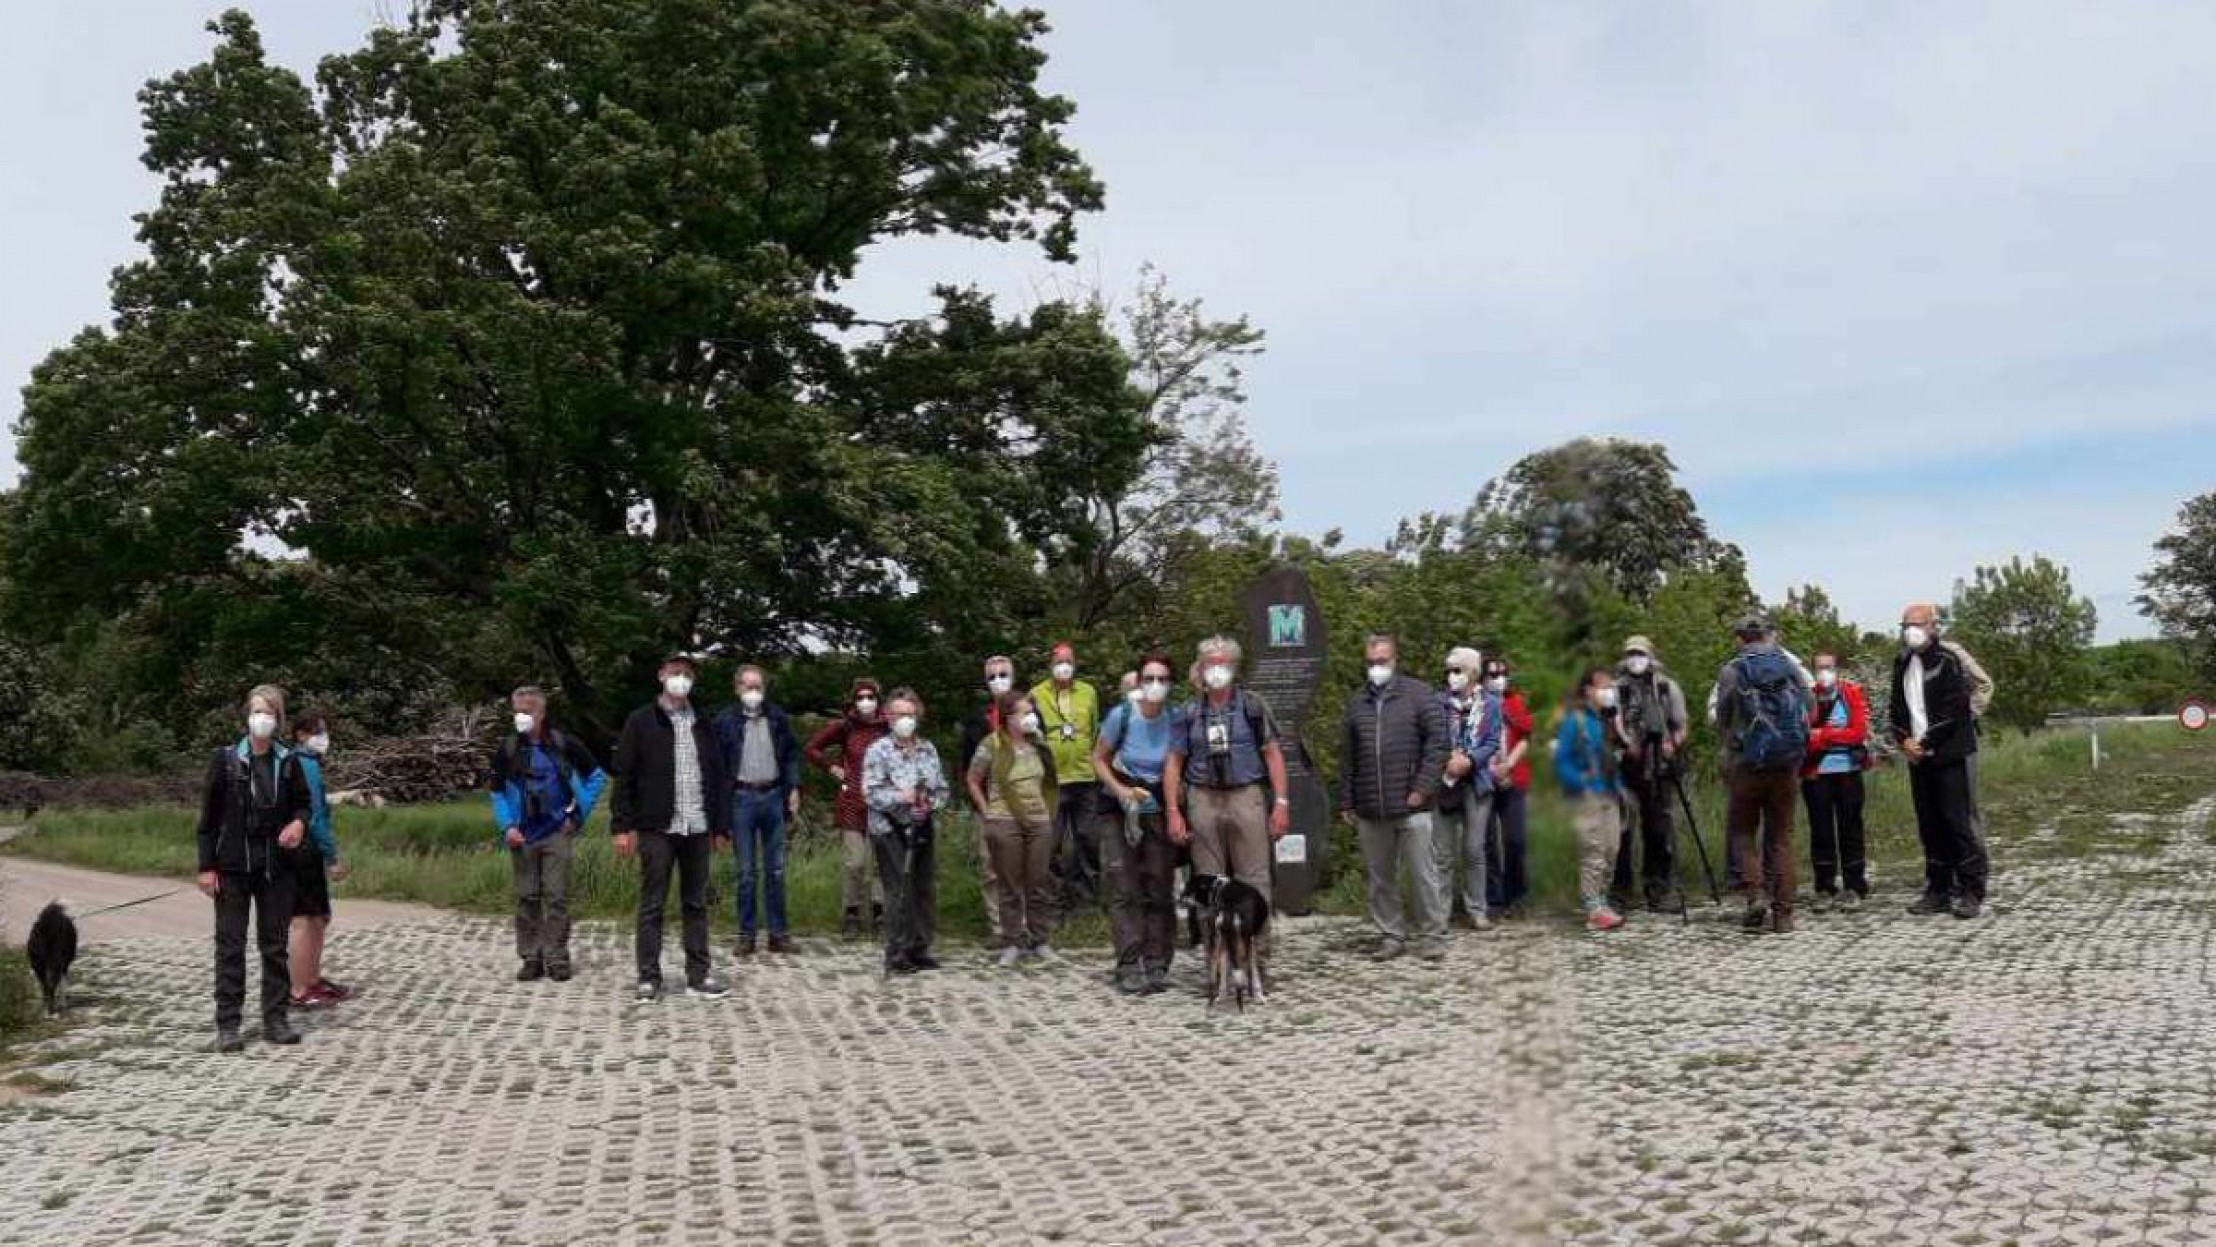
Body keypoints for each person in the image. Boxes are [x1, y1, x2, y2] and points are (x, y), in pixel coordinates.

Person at [195, 684, 312, 1051]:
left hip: (276, 868)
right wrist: (206, 866)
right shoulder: (226, 760)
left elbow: (303, 805)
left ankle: (275, 1019)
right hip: (231, 867)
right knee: (230, 946)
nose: (261, 719)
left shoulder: (289, 761)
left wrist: (298, 824)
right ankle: (228, 1024)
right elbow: (208, 819)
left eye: (269, 713)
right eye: (256, 711)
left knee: (274, 947)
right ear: (246, 716)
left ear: (278, 719)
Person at [1165, 635, 1292, 972]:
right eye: (1210, 663)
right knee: (1210, 884)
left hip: (1245, 794)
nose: (1216, 670)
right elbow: (1174, 763)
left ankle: (1256, 961)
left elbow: (1273, 754)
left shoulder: (1252, 706)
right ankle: (1217, 962)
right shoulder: (1189, 712)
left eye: (1222, 663)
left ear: (1234, 667)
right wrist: (1173, 811)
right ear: (1200, 668)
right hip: (1202, 798)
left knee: (1254, 879)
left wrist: (1280, 802)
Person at [612, 652, 733, 1002]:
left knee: (695, 903)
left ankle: (698, 975)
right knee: (653, 903)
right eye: (675, 672)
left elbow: (719, 776)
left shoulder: (704, 722)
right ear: (661, 675)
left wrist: (720, 826)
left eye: (687, 673)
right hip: (657, 827)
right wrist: (622, 826)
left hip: (696, 824)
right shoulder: (641, 721)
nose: (680, 678)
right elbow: (625, 776)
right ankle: (648, 977)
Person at [1341, 635, 1451, 961]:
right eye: (1371, 662)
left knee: (1423, 873)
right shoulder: (1356, 703)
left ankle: (1432, 934)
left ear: (1394, 660)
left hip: (1412, 803)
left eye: (1382, 661)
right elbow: (1348, 755)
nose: (1377, 668)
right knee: (1380, 878)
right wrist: (1346, 799)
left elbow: (1438, 744)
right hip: (1370, 806)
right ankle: (1391, 935)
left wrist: (1423, 787)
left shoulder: (1419, 695)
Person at [491, 685, 607, 983]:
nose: (520, 717)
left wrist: (577, 815)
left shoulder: (563, 743)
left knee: (557, 897)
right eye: (516, 711)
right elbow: (497, 793)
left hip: (557, 830)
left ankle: (556, 956)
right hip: (523, 834)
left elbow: (596, 777)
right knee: (527, 897)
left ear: (541, 713)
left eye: (527, 711)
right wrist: (508, 826)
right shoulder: (507, 749)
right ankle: (531, 956)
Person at [1714, 614, 1813, 934]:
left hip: (1748, 764)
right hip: (1786, 763)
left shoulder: (1732, 670)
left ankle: (1754, 895)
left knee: (1743, 832)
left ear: (1741, 638)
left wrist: (1728, 752)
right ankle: (1783, 915)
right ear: (1766, 635)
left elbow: (1723, 718)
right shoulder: (1788, 665)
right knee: (1781, 837)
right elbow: (1810, 706)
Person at [1892, 603, 1990, 919]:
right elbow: (1896, 708)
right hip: (1917, 756)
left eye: (1917, 624)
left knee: (1957, 821)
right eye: (1906, 625)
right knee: (1929, 824)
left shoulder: (1949, 661)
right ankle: (1938, 888)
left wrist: (1925, 742)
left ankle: (1971, 889)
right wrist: (1903, 738)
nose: (1911, 630)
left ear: (1933, 626)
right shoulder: (1902, 661)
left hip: (1949, 752)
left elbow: (1954, 710)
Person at [1093, 652, 1183, 994]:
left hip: (1158, 807)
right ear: (1139, 682)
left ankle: (1157, 961)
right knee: (1125, 886)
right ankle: (1128, 962)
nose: (1155, 686)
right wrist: (1119, 790)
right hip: (1119, 810)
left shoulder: (1176, 719)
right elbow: (1098, 759)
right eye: (1149, 678)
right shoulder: (1122, 716)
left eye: (1162, 679)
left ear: (1171, 685)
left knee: (1159, 885)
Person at [965, 692, 1060, 967]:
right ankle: (1012, 940)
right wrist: (987, 813)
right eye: (1023, 712)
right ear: (1008, 718)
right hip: (1004, 818)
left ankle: (1040, 939)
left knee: (1039, 881)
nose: (1030, 717)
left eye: (1031, 711)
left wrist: (1048, 810)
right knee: (1009, 884)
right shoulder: (991, 744)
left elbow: (1051, 779)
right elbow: (973, 779)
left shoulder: (1039, 742)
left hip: (1039, 818)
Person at [714, 664, 803, 957]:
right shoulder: (725, 721)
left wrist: (793, 788)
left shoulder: (776, 717)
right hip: (741, 798)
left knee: (776, 870)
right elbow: (716, 766)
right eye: (748, 686)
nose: (753, 692)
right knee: (746, 872)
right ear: (737, 688)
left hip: (773, 795)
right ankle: (746, 934)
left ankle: (778, 933)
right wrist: (718, 812)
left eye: (758, 687)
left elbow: (791, 754)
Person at [863, 689, 950, 976]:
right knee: (898, 889)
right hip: (890, 828)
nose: (906, 720)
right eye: (900, 715)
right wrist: (903, 796)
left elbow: (942, 790)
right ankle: (897, 950)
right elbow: (871, 792)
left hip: (921, 826)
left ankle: (920, 947)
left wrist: (929, 803)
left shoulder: (928, 749)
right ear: (888, 716)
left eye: (911, 715)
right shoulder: (878, 750)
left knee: (923, 888)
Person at [1610, 636, 1691, 913]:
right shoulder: (1616, 690)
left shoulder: (1667, 688)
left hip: (1659, 766)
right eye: (1631, 653)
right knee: (1622, 831)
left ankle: (1658, 890)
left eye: (1640, 653)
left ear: (1651, 656)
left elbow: (1681, 725)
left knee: (1658, 830)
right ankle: (1620, 892)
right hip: (1626, 767)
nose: (1636, 659)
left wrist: (1673, 743)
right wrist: (1625, 743)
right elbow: (1612, 723)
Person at [805, 678, 890, 939]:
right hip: (852, 801)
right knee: (855, 862)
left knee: (880, 864)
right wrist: (833, 768)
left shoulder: (888, 726)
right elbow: (812, 748)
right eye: (860, 697)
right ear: (853, 701)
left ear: (878, 699)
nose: (866, 701)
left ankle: (880, 914)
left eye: (870, 696)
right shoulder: (845, 727)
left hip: (882, 802)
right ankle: (851, 912)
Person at [285, 709, 350, 1010]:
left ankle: (312, 979)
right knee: (305, 920)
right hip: (305, 849)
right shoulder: (303, 765)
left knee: (319, 917)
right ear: (301, 735)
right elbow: (315, 816)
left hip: (306, 847)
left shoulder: (305, 762)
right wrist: (332, 854)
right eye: (318, 731)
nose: (324, 738)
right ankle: (299, 988)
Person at [1032, 642, 1105, 911]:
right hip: (1052, 781)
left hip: (1085, 778)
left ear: (1075, 664)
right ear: (1050, 665)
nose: (1064, 666)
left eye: (1069, 661)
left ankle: (1085, 902)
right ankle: (1053, 902)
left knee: (1088, 839)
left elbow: (1095, 729)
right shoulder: (1036, 694)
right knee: (1051, 843)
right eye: (1059, 661)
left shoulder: (1088, 692)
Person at [1436, 646, 1503, 931]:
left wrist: (1470, 760)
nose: (1452, 676)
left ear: (1473, 673)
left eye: (1457, 670)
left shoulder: (1491, 704)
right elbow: (1430, 737)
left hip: (1477, 783)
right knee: (1442, 853)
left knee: (1474, 850)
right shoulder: (1438, 703)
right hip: (1445, 783)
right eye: (1449, 671)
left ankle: (1477, 908)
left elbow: (1491, 742)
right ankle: (1440, 913)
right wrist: (1447, 759)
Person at [1556, 668, 1627, 931]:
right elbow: (1562, 760)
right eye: (1603, 686)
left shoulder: (1606, 719)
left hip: (1610, 793)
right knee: (1593, 851)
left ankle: (1602, 899)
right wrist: (1580, 783)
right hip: (1587, 796)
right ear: (1588, 690)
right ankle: (1594, 908)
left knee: (1612, 849)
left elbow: (1611, 758)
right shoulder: (1575, 720)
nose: (1609, 692)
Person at [1802, 653, 1872, 908]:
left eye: (1829, 667)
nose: (1824, 672)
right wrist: (1833, 735)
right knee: (1820, 831)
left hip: (1848, 770)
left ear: (1837, 669)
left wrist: (1824, 736)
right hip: (1816, 772)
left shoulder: (1851, 692)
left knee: (1850, 828)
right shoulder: (1807, 696)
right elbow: (1803, 733)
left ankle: (1854, 885)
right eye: (1819, 668)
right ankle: (1824, 886)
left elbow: (1858, 733)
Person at [959, 656, 1017, 945]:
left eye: (1003, 674)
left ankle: (1024, 926)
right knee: (991, 867)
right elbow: (967, 769)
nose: (998, 680)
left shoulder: (1030, 713)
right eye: (992, 676)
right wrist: (982, 808)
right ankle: (998, 927)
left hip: (1023, 804)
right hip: (988, 804)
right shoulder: (976, 720)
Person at [1483, 657, 1534, 919]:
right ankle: (1493, 897)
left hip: (1514, 777)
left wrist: (1509, 764)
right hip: (1484, 778)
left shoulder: (1515, 703)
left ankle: (1517, 894)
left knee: (1516, 839)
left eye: (1502, 673)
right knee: (1487, 841)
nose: (1498, 678)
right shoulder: (1477, 704)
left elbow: (1526, 737)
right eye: (1492, 674)